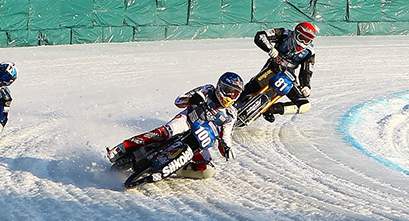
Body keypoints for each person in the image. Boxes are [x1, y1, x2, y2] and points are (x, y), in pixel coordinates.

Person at [106, 72, 244, 180]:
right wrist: (191, 99)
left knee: (207, 170)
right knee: (164, 133)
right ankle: (122, 148)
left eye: (235, 93)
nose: (230, 96)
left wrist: (227, 149)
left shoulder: (231, 113)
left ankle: (176, 166)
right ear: (220, 86)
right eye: (228, 90)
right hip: (186, 121)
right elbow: (179, 101)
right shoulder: (208, 90)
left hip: (201, 137)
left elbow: (225, 136)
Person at [243, 22, 317, 122]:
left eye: (307, 40)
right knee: (249, 89)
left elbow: (307, 71)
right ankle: (232, 104)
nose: (303, 42)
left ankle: (269, 109)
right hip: (272, 69)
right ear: (295, 33)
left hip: (288, 78)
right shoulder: (284, 33)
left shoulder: (309, 52)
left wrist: (306, 86)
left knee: (305, 106)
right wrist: (270, 49)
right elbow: (260, 36)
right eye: (301, 38)